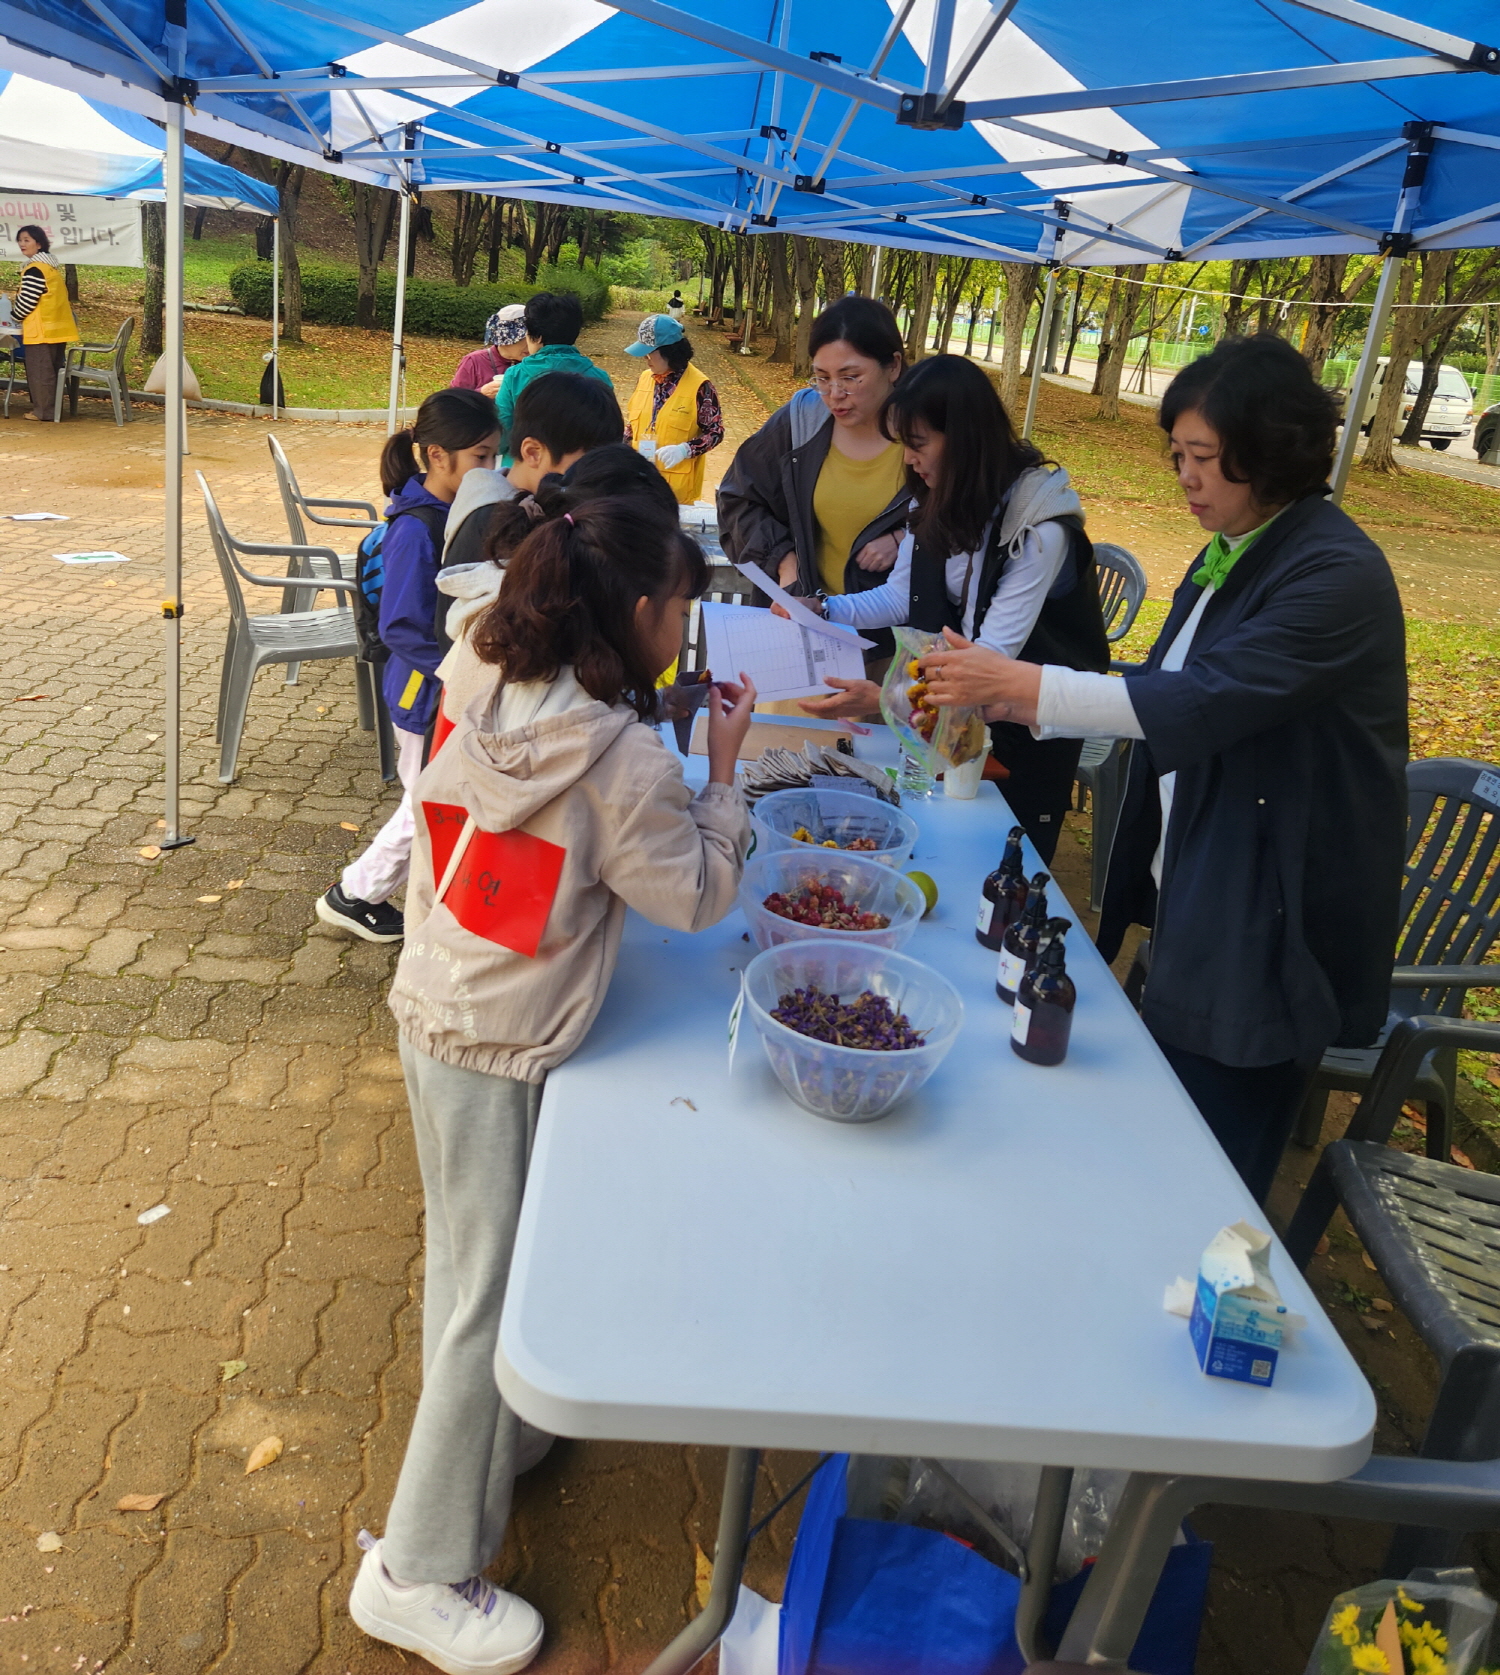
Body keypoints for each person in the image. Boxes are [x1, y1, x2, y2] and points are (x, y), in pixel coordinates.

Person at [347, 497, 756, 1675]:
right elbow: (690, 893)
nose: (687, 622)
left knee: (471, 1266)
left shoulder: (485, 659)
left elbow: (544, 796)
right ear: (639, 613)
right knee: (487, 1298)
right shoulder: (626, 757)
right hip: (505, 1038)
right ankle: (418, 1569)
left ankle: (494, 1439)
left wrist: (659, 720)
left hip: (439, 1003)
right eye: (682, 605)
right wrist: (720, 773)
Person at [919, 334, 1408, 1203]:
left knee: (1207, 1165)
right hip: (1202, 885)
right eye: (1177, 454)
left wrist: (1026, 680)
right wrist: (1014, 700)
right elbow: (1162, 681)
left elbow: (1206, 698)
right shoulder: (1238, 542)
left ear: (1271, 451)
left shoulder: (1336, 574)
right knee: (1162, 1120)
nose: (1184, 476)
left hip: (1268, 915)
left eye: (1204, 458)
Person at [790, 355, 1109, 862]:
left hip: (1024, 734)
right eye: (905, 446)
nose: (910, 461)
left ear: (964, 440)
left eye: (919, 445)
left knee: (1000, 863)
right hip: (954, 720)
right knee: (936, 843)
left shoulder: (1038, 529)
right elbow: (901, 596)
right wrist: (822, 610)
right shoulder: (937, 498)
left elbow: (990, 660)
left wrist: (885, 698)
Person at [316, 387, 499, 943]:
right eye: (481, 458)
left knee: (427, 802)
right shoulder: (415, 531)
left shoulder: (451, 514)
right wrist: (459, 672)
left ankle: (365, 892)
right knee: (425, 807)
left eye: (496, 455)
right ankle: (354, 894)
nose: (492, 469)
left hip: (437, 687)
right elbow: (400, 627)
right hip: (422, 694)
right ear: (438, 457)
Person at [717, 294, 908, 619]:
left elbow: (968, 519)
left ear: (893, 366)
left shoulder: (931, 435)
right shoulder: (800, 421)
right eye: (822, 377)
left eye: (850, 377)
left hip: (890, 644)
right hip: (800, 627)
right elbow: (737, 500)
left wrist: (904, 540)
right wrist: (785, 562)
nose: (834, 394)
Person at [441, 370, 623, 574]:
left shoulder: (522, 503)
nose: (594, 475)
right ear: (533, 453)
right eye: (585, 464)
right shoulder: (495, 523)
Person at [494, 291, 615, 467]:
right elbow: (608, 438)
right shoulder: (599, 377)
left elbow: (501, 435)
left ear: (537, 336)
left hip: (523, 475)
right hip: (580, 476)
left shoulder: (515, 376)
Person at [623, 314, 724, 506]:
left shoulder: (700, 386)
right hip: (638, 486)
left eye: (650, 352)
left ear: (669, 352)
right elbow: (631, 427)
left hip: (677, 495)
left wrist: (685, 450)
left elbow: (716, 432)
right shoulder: (645, 378)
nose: (646, 359)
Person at [10, 225, 78, 423]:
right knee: (52, 372)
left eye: (27, 240)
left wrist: (15, 316)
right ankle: (52, 410)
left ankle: (43, 412)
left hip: (41, 330)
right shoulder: (50, 267)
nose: (22, 244)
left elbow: (28, 300)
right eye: (20, 240)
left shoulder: (35, 269)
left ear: (39, 244)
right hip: (58, 329)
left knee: (41, 373)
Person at [449, 303, 528, 392]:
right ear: (504, 339)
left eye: (535, 338)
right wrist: (482, 393)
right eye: (524, 338)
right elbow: (454, 400)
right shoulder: (475, 361)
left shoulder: (536, 363)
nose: (530, 345)